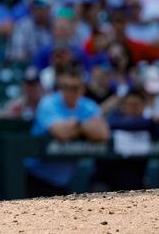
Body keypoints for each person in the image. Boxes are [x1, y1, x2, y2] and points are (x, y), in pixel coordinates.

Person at [26, 63, 110, 197]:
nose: (70, 92)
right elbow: (61, 133)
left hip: (67, 179)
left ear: (83, 88)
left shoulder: (88, 106)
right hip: (37, 176)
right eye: (65, 87)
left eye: (74, 88)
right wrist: (85, 127)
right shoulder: (48, 102)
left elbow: (103, 134)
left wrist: (76, 125)